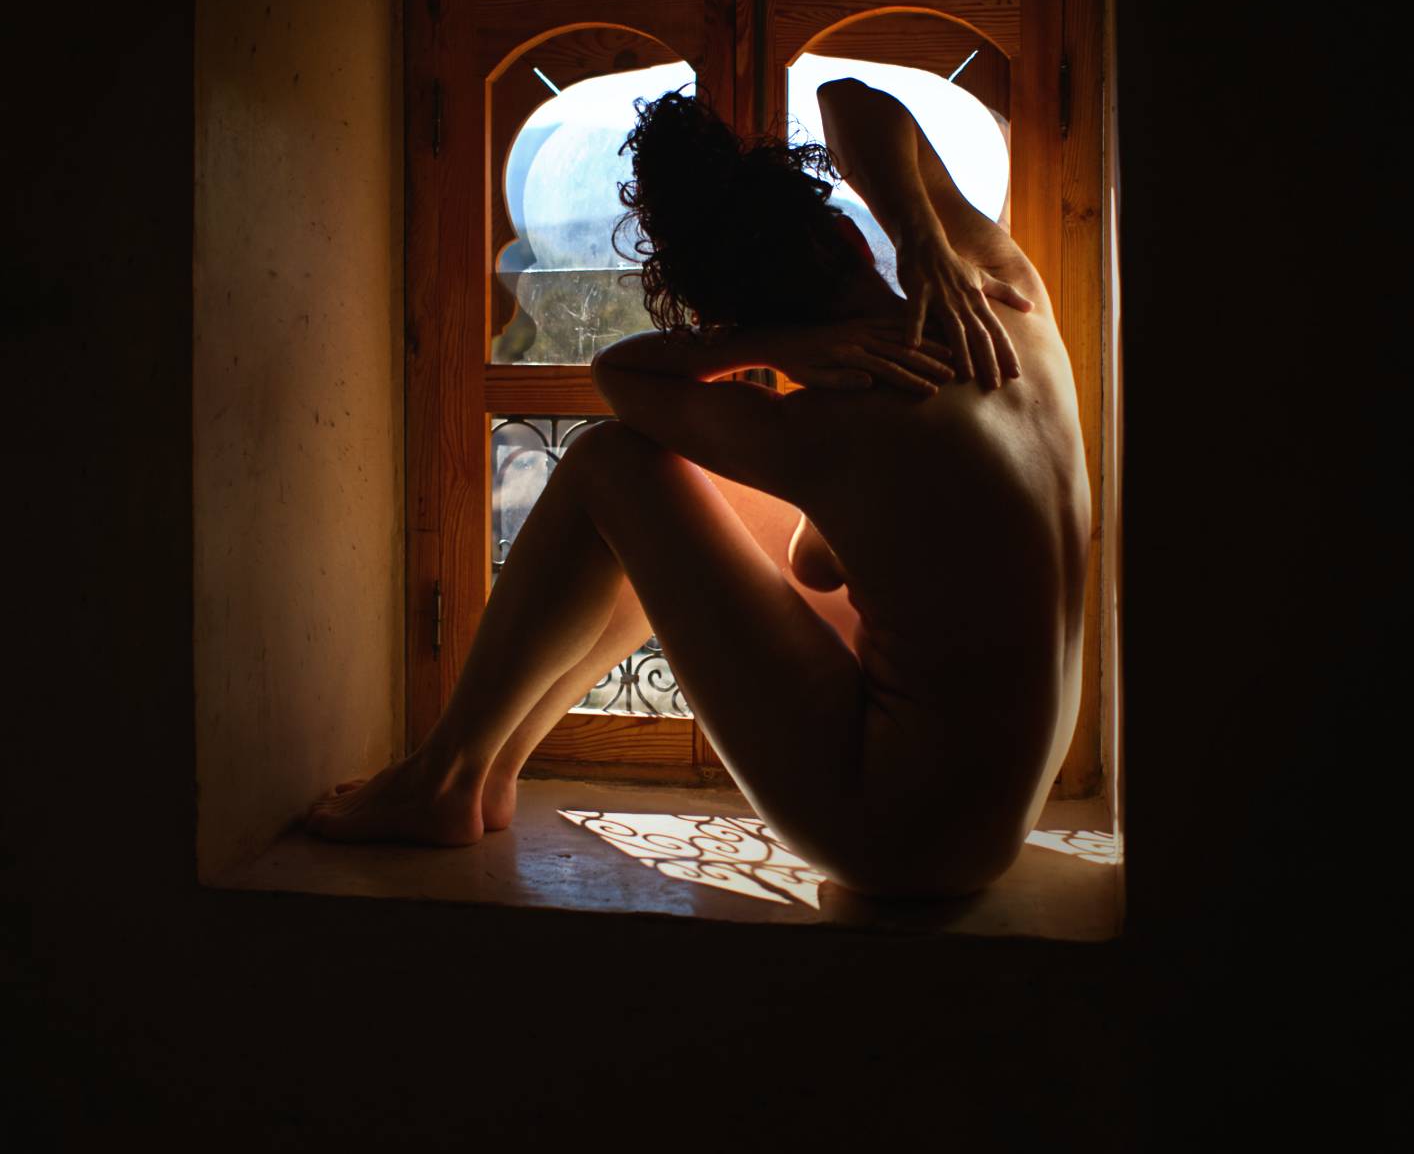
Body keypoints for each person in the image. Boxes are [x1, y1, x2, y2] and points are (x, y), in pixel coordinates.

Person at [307, 79, 1091, 899]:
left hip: (896, 834)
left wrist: (765, 347)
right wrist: (923, 236)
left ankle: (442, 775)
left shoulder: (831, 429)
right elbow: (849, 101)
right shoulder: (1006, 299)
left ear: (742, 321)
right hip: (985, 819)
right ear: (853, 240)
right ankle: (491, 768)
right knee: (672, 488)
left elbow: (619, 378)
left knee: (612, 464)